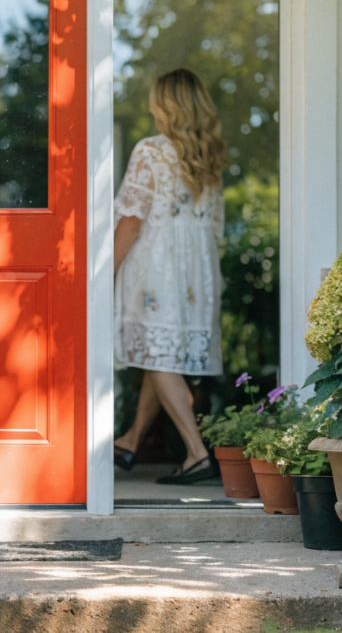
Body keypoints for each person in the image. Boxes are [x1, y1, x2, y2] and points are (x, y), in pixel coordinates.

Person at [112, 69, 227, 485]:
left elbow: (130, 219)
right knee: (158, 354)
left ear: (166, 106)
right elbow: (215, 226)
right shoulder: (208, 156)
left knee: (159, 355)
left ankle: (197, 453)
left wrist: (104, 272)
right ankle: (130, 441)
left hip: (158, 265)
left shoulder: (151, 151)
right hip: (196, 271)